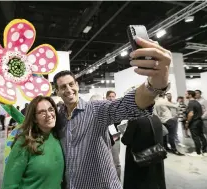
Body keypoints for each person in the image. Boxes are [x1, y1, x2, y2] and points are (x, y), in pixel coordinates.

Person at [53, 36, 172, 189]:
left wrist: (156, 83)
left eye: (71, 84)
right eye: (63, 87)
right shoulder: (59, 117)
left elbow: (128, 105)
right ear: (57, 91)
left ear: (77, 85)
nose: (68, 90)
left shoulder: (96, 109)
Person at [2, 96, 64, 189]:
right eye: (42, 112)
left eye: (51, 109)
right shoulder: (24, 142)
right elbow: (9, 184)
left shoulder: (56, 136)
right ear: (34, 118)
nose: (48, 114)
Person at [121, 115, 166, 189]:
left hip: (139, 160)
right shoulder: (156, 118)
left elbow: (125, 140)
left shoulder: (135, 120)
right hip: (155, 156)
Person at [185, 90, 207, 157]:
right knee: (201, 135)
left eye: (186, 94)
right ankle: (205, 150)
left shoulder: (191, 103)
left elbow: (191, 114)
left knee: (195, 137)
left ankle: (198, 152)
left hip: (194, 122)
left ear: (190, 95)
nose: (185, 95)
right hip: (199, 121)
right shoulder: (197, 102)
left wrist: (187, 122)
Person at [106, 90, 121, 179]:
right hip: (104, 137)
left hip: (115, 137)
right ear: (107, 97)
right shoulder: (102, 108)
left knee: (116, 162)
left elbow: (119, 122)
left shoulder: (118, 109)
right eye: (110, 96)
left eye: (113, 96)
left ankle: (118, 182)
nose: (111, 98)